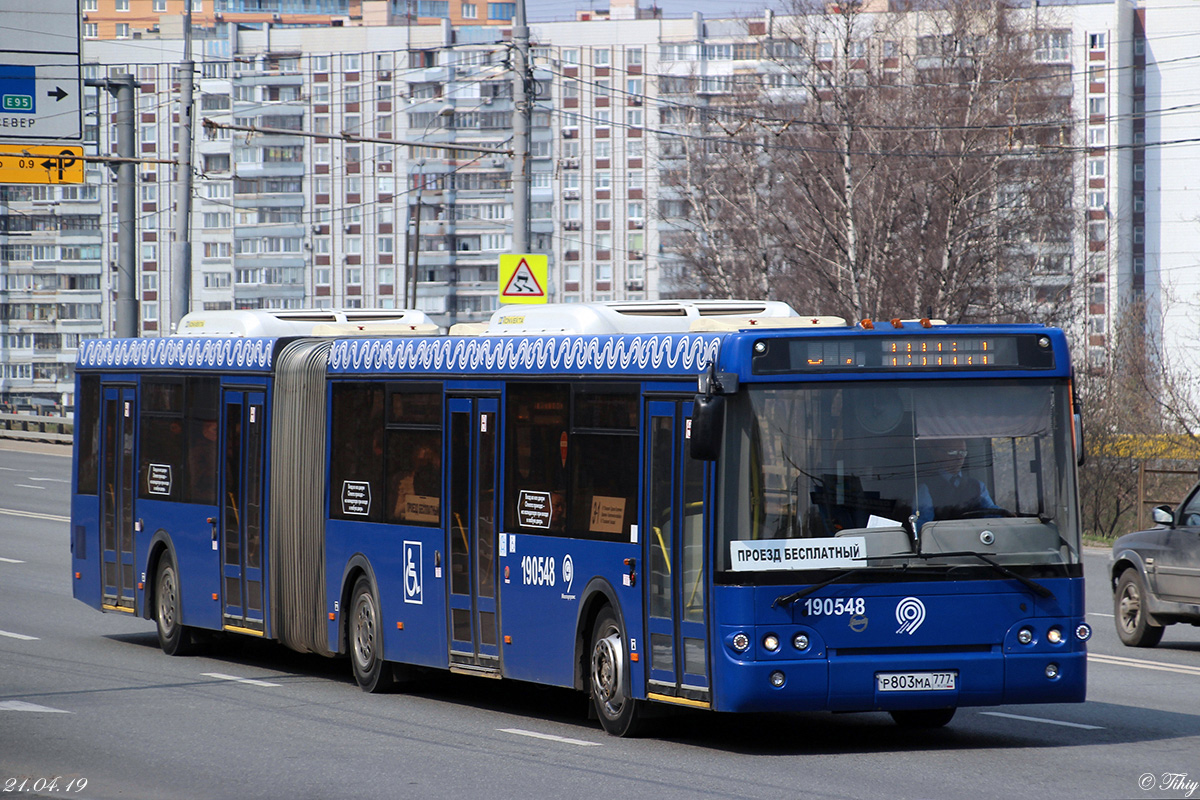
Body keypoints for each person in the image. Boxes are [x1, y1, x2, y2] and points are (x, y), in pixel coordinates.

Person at [916, 438, 1000, 526]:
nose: (959, 457)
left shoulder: (977, 486)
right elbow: (924, 526)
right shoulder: (927, 488)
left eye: (962, 453)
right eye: (953, 452)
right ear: (938, 454)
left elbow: (993, 513)